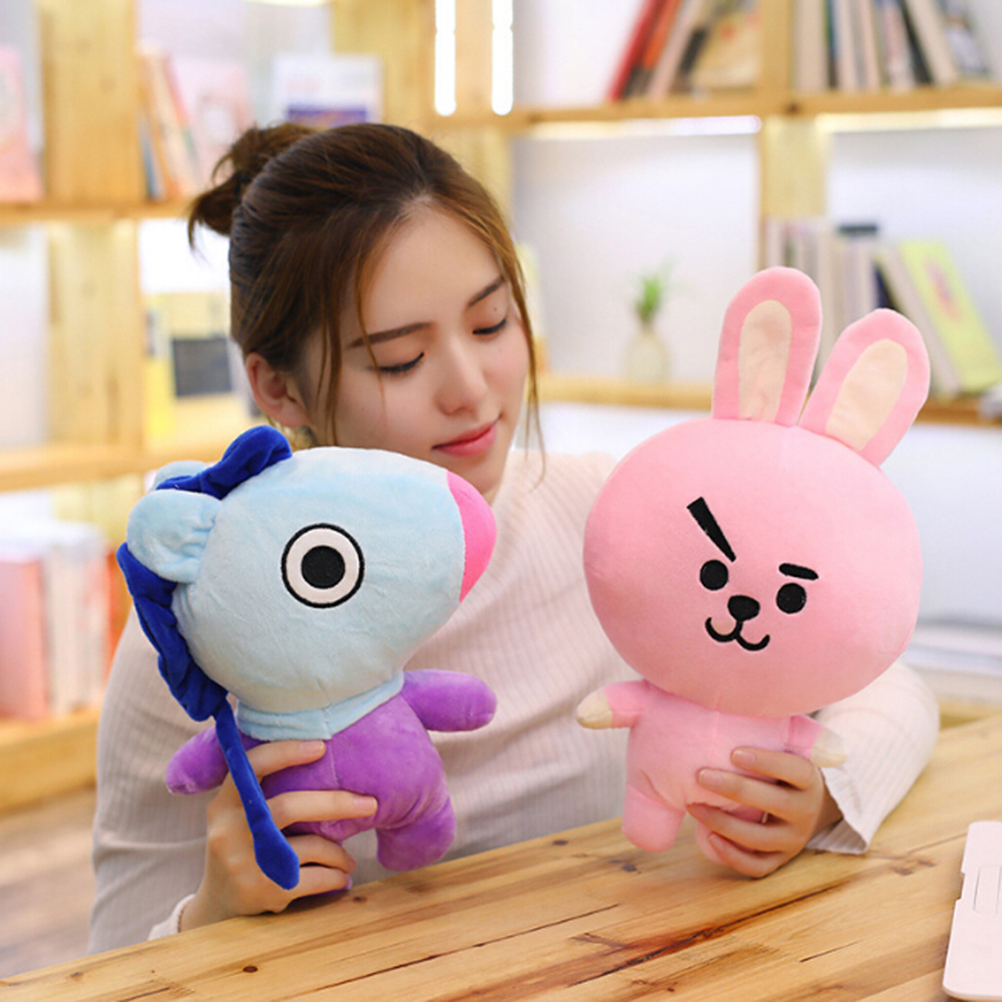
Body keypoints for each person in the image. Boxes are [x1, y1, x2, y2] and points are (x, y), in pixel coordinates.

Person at [89, 123, 939, 953]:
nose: (471, 390)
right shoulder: (208, 616)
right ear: (279, 388)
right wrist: (211, 913)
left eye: (491, 324)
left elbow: (887, 686)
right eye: (399, 359)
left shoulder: (619, 520)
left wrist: (824, 793)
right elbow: (110, 956)